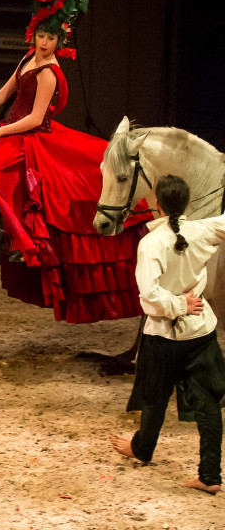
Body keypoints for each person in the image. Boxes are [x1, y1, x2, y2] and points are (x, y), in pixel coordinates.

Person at [0, 0, 146, 323]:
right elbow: (2, 95)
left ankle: (20, 242)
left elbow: (34, 118)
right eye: (41, 36)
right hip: (11, 129)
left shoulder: (48, 72)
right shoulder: (27, 59)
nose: (45, 42)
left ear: (60, 43)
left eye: (51, 39)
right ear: (33, 35)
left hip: (31, 135)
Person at [110, 175, 225, 494]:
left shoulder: (151, 244)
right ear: (186, 203)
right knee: (208, 404)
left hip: (163, 335)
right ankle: (210, 475)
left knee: (155, 398)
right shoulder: (204, 230)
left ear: (157, 205)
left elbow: (149, 296)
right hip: (200, 332)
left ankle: (142, 449)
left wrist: (179, 304)